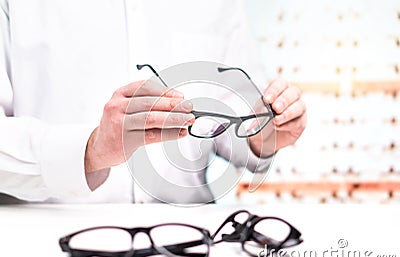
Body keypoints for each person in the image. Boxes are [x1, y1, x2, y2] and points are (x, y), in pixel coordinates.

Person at [0, 0, 306, 203]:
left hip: (191, 245)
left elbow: (231, 115)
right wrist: (90, 151)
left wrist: (262, 134)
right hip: (49, 245)